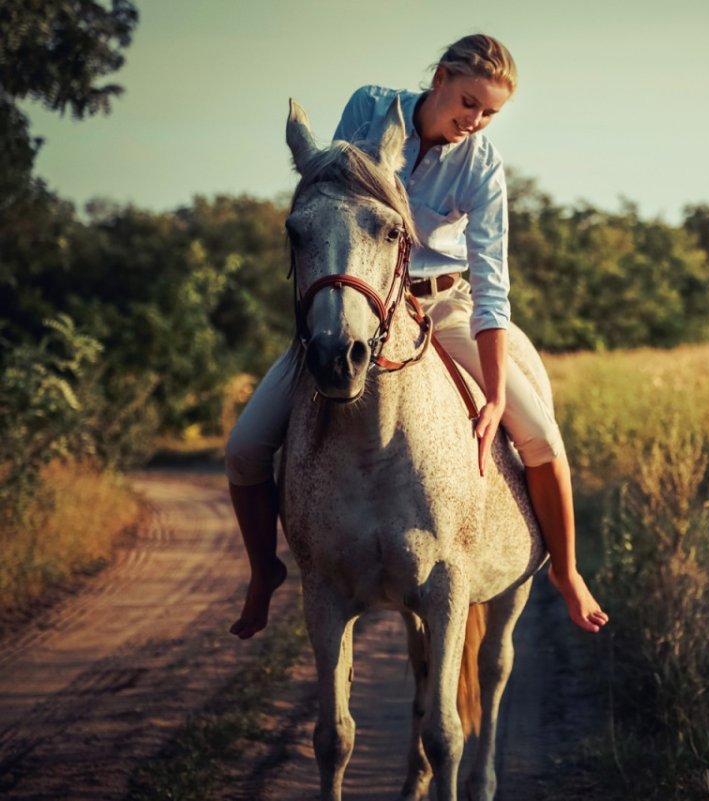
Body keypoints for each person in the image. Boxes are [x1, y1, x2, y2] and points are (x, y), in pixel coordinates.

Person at [225, 34, 608, 637]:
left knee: (541, 437)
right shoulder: (368, 108)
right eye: (468, 102)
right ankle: (262, 571)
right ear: (441, 78)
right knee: (244, 447)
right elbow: (334, 201)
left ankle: (566, 572)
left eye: (490, 113)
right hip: (358, 306)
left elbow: (492, 283)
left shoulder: (481, 164)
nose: (474, 120)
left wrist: (496, 398)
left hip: (443, 306)